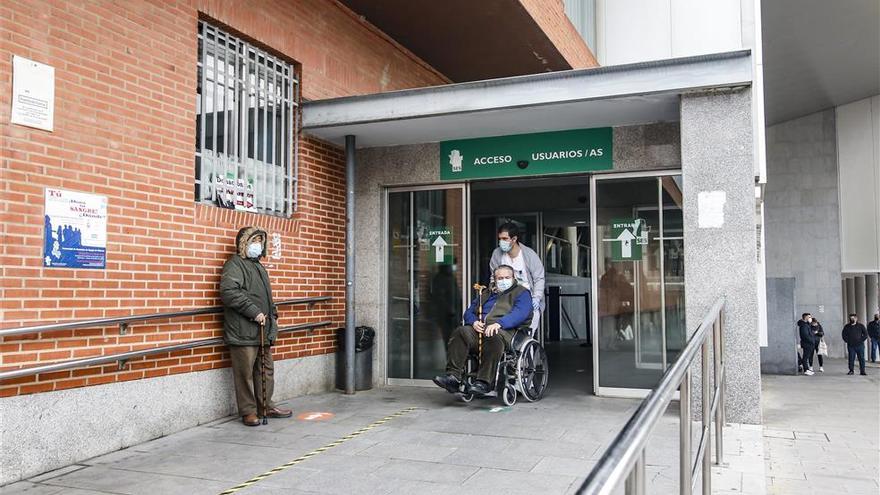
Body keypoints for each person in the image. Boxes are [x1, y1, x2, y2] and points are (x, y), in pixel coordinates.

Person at [220, 226, 293, 426]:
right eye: (254, 241)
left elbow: (266, 297)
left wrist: (273, 314)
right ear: (244, 243)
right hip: (243, 331)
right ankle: (248, 411)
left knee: (266, 370)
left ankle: (266, 406)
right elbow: (229, 293)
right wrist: (254, 312)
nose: (258, 245)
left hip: (263, 329)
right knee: (244, 373)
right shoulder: (235, 265)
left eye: (260, 241)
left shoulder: (259, 267)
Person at [432, 265, 532, 396]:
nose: (503, 280)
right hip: (480, 330)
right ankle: (453, 378)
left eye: (507, 277)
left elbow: (520, 313)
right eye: (500, 278)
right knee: (461, 332)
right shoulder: (486, 293)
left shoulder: (521, 293)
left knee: (492, 336)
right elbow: (469, 312)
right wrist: (473, 322)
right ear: (494, 280)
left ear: (513, 278)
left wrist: (499, 324)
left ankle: (484, 382)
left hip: (506, 331)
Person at [489, 222, 545, 333]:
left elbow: (539, 278)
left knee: (525, 335)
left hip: (526, 299)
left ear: (514, 239)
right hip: (505, 300)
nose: (501, 242)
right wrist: (493, 288)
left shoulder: (529, 255)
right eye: (500, 239)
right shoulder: (497, 254)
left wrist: (536, 298)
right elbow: (493, 276)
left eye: (505, 238)